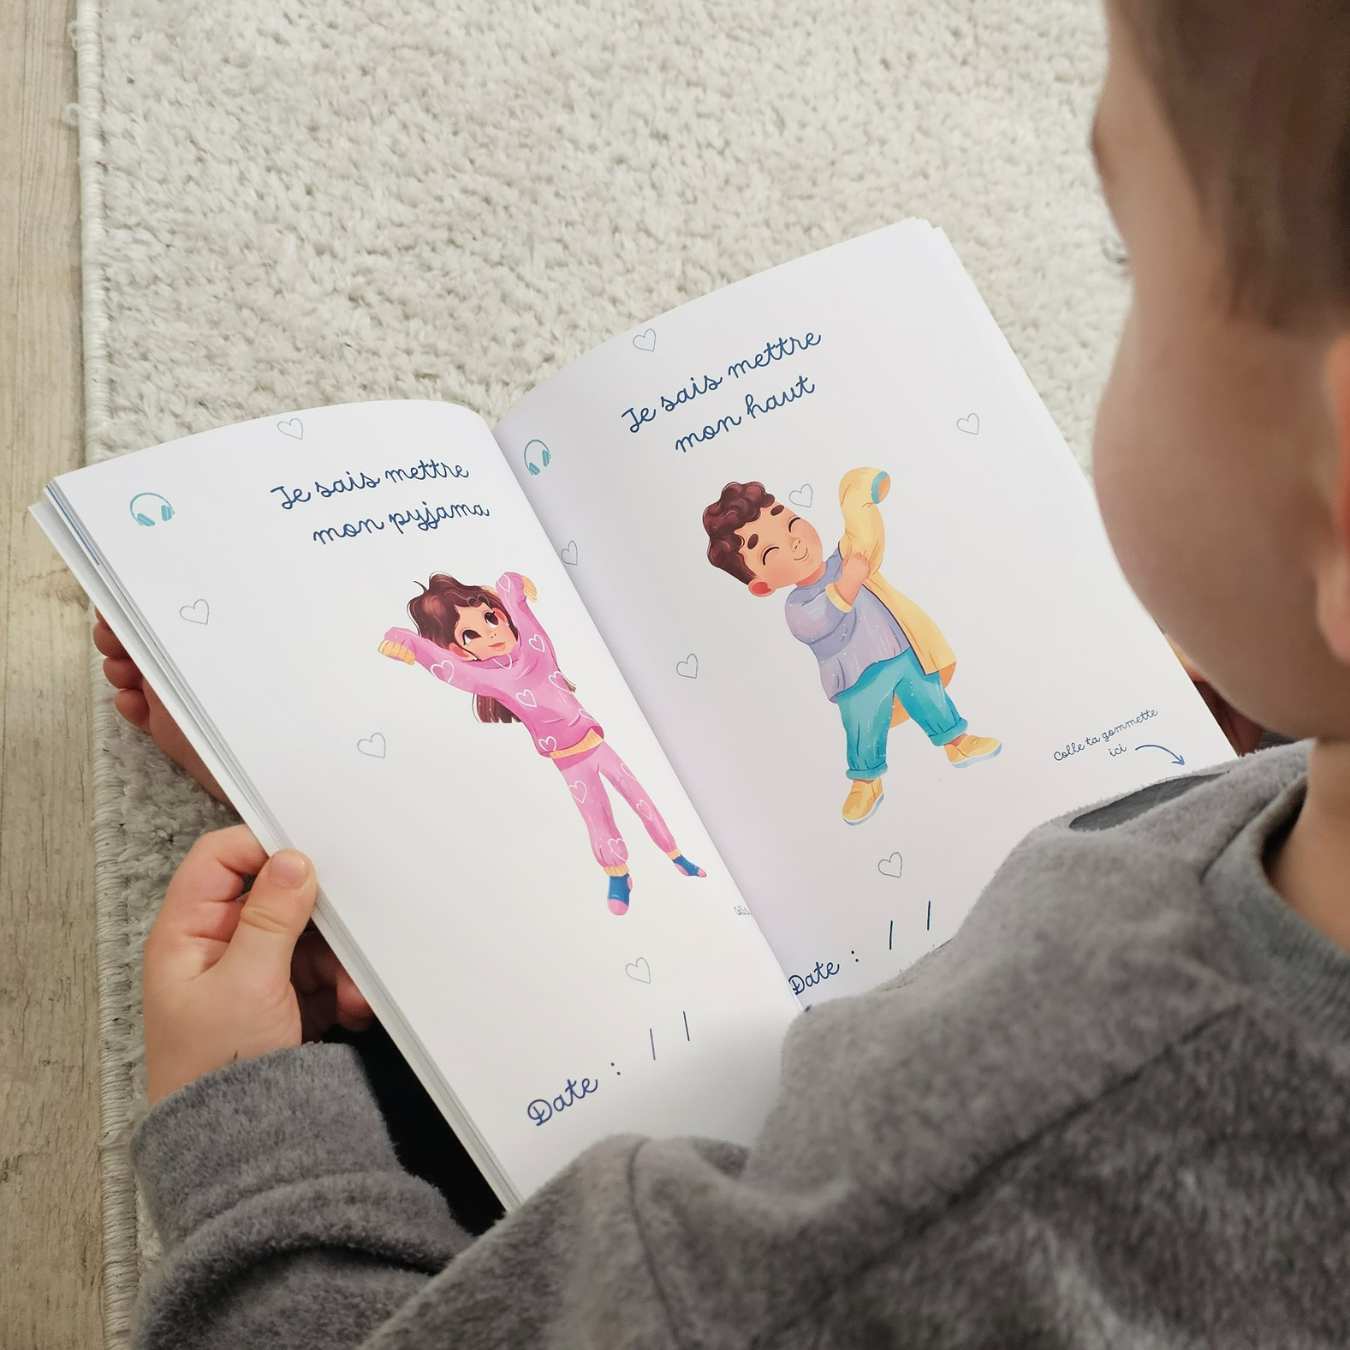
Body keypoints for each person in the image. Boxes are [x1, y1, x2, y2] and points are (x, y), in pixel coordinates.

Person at [97, 0, 1350, 1340]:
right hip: (619, 753)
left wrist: (254, 1153)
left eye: (1128, 264)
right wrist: (1275, 698)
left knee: (647, 841)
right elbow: (498, 673)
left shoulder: (940, 1200)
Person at [378, 570, 705, 915]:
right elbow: (448, 668)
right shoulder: (488, 679)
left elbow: (523, 615)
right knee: (596, 818)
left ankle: (676, 855)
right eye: (471, 634)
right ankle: (618, 875)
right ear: (460, 650)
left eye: (490, 619)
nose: (490, 633)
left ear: (500, 615)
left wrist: (511, 587)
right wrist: (408, 642)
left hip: (595, 743)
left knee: (637, 796)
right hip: (567, 759)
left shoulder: (536, 651)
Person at [702, 468, 1001, 824]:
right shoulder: (797, 606)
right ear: (763, 585)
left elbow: (862, 537)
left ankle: (956, 741)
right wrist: (850, 581)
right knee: (864, 727)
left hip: (899, 650)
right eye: (769, 550)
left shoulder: (842, 559)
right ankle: (865, 781)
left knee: (929, 693)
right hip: (856, 680)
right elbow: (822, 619)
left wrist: (858, 493)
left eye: (790, 523)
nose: (793, 542)